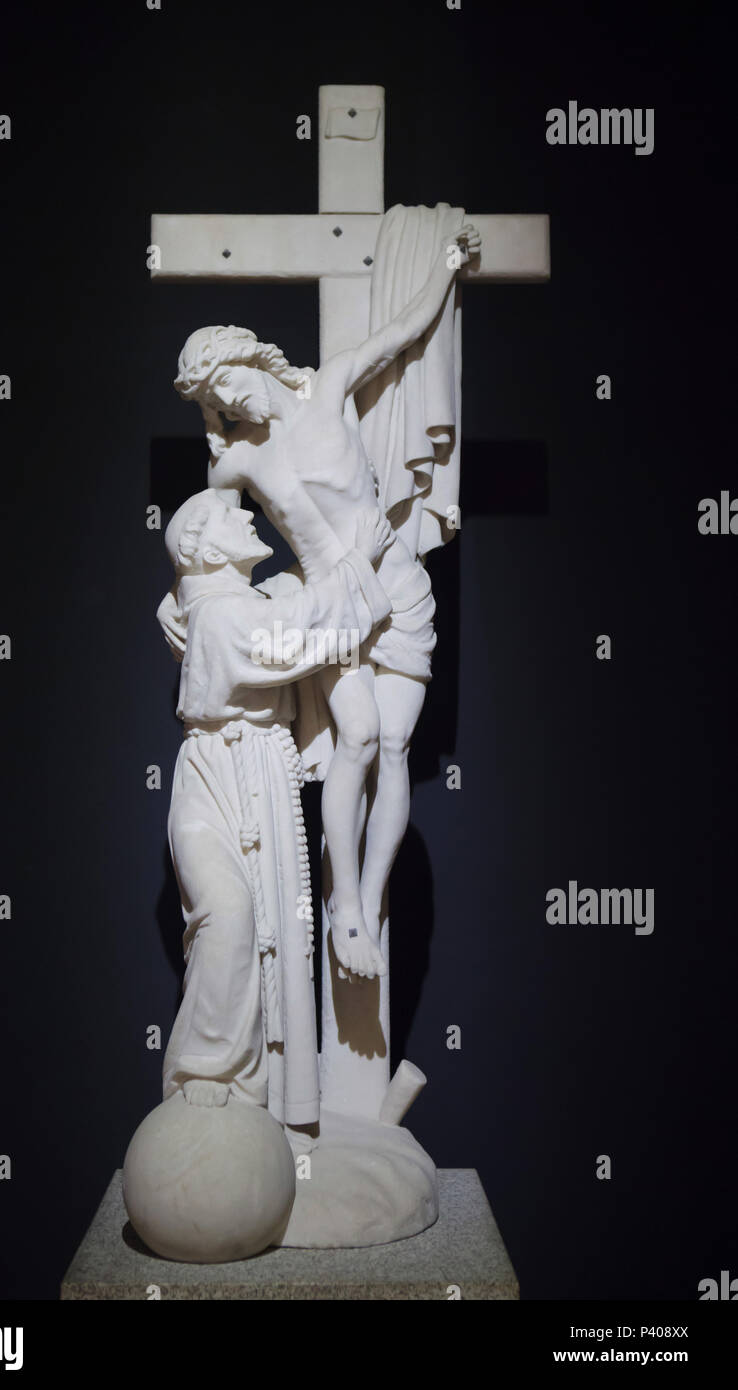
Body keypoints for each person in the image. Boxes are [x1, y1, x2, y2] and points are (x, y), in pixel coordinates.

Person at [172, 223, 480, 978]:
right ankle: (344, 901)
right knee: (360, 737)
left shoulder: (333, 382)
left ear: (250, 356)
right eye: (220, 401)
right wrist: (185, 599)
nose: (236, 403)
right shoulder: (239, 455)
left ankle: (369, 904)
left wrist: (446, 266)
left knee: (399, 749)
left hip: (397, 583)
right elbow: (195, 532)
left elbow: (406, 332)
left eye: (232, 386)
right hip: (332, 603)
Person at [157, 489, 392, 1137]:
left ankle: (253, 1097)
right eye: (232, 515)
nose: (250, 516)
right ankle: (206, 1071)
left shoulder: (218, 603)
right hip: (219, 779)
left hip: (255, 770)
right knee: (230, 917)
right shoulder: (221, 616)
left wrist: (332, 564)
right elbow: (294, 634)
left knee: (268, 933)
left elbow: (285, 600)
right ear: (202, 549)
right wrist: (358, 563)